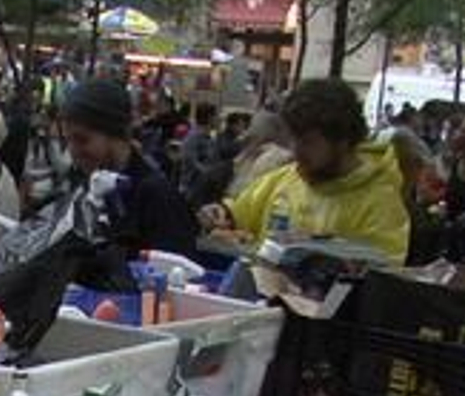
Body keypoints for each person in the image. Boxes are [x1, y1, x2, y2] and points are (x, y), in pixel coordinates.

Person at [200, 78, 410, 263]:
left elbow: (377, 278)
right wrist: (221, 218)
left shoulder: (381, 205)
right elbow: (238, 214)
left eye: (308, 142)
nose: (296, 150)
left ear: (342, 141)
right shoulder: (283, 180)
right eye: (294, 138)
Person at [58, 77, 198, 257]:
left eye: (82, 140)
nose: (72, 151)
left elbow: (178, 267)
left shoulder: (157, 198)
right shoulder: (81, 185)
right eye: (67, 140)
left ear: (116, 135)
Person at [177, 103, 219, 196]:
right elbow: (192, 163)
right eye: (216, 116)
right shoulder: (193, 137)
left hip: (202, 187)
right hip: (191, 189)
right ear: (209, 118)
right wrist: (210, 174)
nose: (218, 119)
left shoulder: (209, 138)